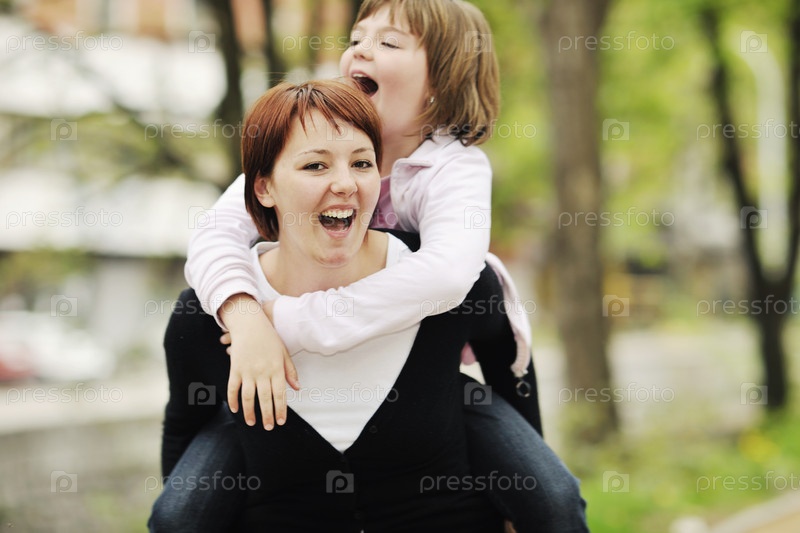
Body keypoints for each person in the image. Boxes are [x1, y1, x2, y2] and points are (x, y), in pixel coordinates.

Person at [163, 0, 588, 531]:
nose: (360, 51)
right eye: (357, 38)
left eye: (388, 43)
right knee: (178, 513)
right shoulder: (311, 137)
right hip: (291, 374)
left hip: (429, 371)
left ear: (439, 84)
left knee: (552, 498)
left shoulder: (454, 167)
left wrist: (292, 320)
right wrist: (246, 319)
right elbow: (214, 235)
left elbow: (448, 276)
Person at [155, 79, 516, 531]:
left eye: (362, 163)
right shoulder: (208, 317)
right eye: (315, 165)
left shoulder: (452, 291)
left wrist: (521, 509)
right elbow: (183, 445)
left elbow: (511, 375)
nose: (345, 184)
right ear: (263, 188)